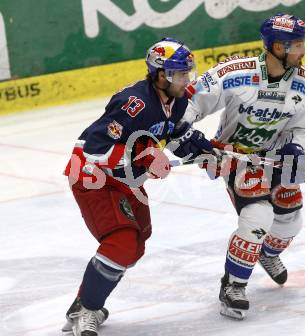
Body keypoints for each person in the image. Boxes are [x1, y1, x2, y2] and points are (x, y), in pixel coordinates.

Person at [62, 37, 212, 336]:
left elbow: (177, 135)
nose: (186, 80)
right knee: (121, 243)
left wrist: (207, 151)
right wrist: (144, 158)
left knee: (137, 242)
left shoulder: (177, 99)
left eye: (187, 73)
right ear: (159, 74)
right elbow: (93, 149)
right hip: (94, 176)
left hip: (124, 179)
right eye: (179, 74)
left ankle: (85, 301)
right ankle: (85, 311)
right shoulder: (135, 103)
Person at [182, 13, 305, 319]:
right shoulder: (233, 73)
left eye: (303, 45)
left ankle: (266, 253)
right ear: (275, 46)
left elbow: (304, 125)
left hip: (274, 157)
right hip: (236, 158)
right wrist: (188, 134)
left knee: (290, 220)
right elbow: (189, 104)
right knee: (258, 216)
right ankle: (233, 285)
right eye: (296, 46)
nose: (302, 52)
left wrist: (296, 149)